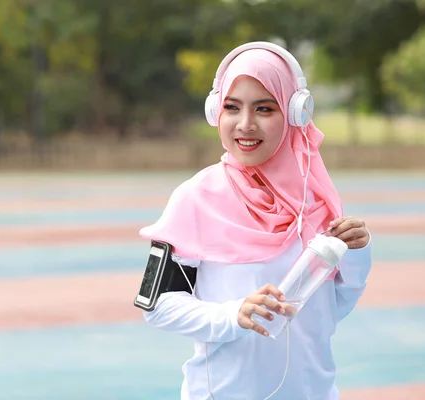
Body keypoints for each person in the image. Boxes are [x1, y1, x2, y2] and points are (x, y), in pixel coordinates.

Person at [138, 42, 372, 400]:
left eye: (264, 108)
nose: (245, 125)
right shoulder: (196, 198)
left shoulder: (316, 197)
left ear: (295, 114)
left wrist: (356, 251)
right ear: (216, 111)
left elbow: (333, 307)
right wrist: (234, 316)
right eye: (232, 108)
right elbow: (157, 306)